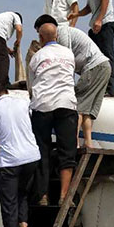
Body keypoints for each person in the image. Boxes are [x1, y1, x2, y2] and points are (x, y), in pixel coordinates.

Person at [28, 16, 77, 206]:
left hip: (43, 105)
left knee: (42, 150)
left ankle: (43, 195)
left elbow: (31, 87)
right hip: (66, 104)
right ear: (56, 36)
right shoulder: (69, 54)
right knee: (67, 152)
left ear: (40, 37)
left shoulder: (37, 57)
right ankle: (64, 196)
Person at [0, 83, 41, 227]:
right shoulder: (23, 102)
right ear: (7, 91)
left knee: (8, 207)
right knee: (22, 192)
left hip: (10, 162)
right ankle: (24, 223)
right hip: (32, 157)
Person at [57, 23, 112, 148]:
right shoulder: (67, 32)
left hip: (94, 67)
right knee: (87, 111)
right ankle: (88, 142)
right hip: (104, 66)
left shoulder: (61, 32)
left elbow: (67, 60)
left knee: (77, 107)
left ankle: (74, 142)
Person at [67, 0, 114, 96]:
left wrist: (100, 19)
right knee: (93, 56)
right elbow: (89, 7)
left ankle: (109, 88)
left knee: (107, 55)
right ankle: (96, 84)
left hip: (105, 23)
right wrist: (76, 14)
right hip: (95, 26)